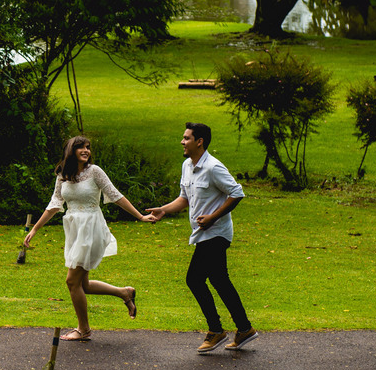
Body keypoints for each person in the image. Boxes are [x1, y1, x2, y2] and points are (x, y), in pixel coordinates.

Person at [24, 135, 151, 341]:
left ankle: (83, 330)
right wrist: (35, 229)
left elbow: (115, 195)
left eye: (88, 147)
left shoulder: (95, 171)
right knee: (83, 285)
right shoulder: (63, 175)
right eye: (81, 147)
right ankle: (125, 293)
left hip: (92, 228)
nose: (86, 150)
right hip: (74, 230)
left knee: (72, 281)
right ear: (71, 150)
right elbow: (55, 204)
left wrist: (140, 216)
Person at [146, 122, 259, 354]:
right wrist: (164, 210)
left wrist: (213, 217)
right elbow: (184, 198)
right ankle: (245, 328)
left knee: (194, 279)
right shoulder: (187, 165)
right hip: (202, 234)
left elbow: (237, 193)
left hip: (216, 233)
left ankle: (216, 330)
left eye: (186, 138)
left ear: (200, 142)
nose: (182, 142)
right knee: (219, 280)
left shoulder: (213, 167)